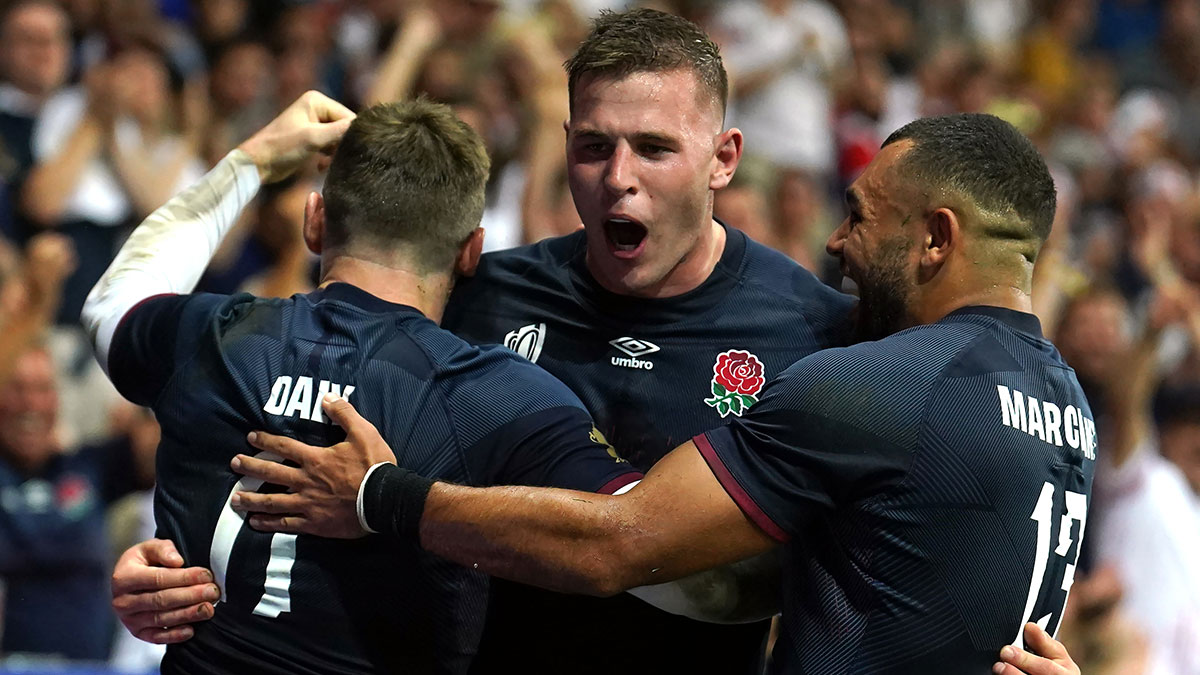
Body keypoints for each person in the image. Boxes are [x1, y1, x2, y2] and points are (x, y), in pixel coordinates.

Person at [105, 9, 1082, 675]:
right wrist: (187, 555)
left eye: (654, 149)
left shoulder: (822, 333)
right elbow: (302, 409)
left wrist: (1036, 648)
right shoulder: (482, 293)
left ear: (723, 160)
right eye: (592, 146)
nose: (619, 180)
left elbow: (947, 504)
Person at [81, 92, 640, 673]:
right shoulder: (498, 397)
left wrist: (253, 160)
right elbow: (637, 539)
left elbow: (112, 305)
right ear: (472, 251)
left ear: (315, 221)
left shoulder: (211, 338)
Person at [0, 343, 154, 659]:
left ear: (57, 399)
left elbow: (162, 448)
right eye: (16, 389)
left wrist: (142, 401)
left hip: (91, 667)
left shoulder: (89, 467)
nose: (30, 403)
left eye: (42, 389)